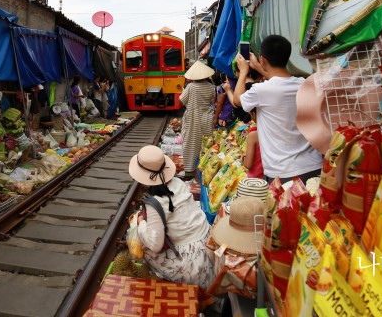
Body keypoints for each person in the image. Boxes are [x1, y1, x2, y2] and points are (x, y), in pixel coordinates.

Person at [223, 35, 322, 184]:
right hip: (313, 166)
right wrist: (258, 67)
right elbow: (281, 81)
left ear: (263, 59)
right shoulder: (304, 84)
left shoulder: (261, 90)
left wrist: (243, 71)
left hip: (282, 172)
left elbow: (237, 100)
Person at [128, 145, 215, 291]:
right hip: (207, 245)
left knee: (146, 249)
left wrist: (141, 223)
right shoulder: (178, 182)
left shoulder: (155, 203)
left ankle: (174, 283)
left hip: (190, 263)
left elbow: (155, 245)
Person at [180, 60, 216, 176]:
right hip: (207, 118)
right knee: (205, 144)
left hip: (193, 118)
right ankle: (204, 171)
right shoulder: (211, 87)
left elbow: (181, 101)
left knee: (190, 144)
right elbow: (213, 102)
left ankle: (190, 171)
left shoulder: (191, 87)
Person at [242, 108, 264, 179]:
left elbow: (248, 164)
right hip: (268, 177)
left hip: (255, 180)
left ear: (254, 115)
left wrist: (244, 159)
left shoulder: (253, 135)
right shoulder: (274, 133)